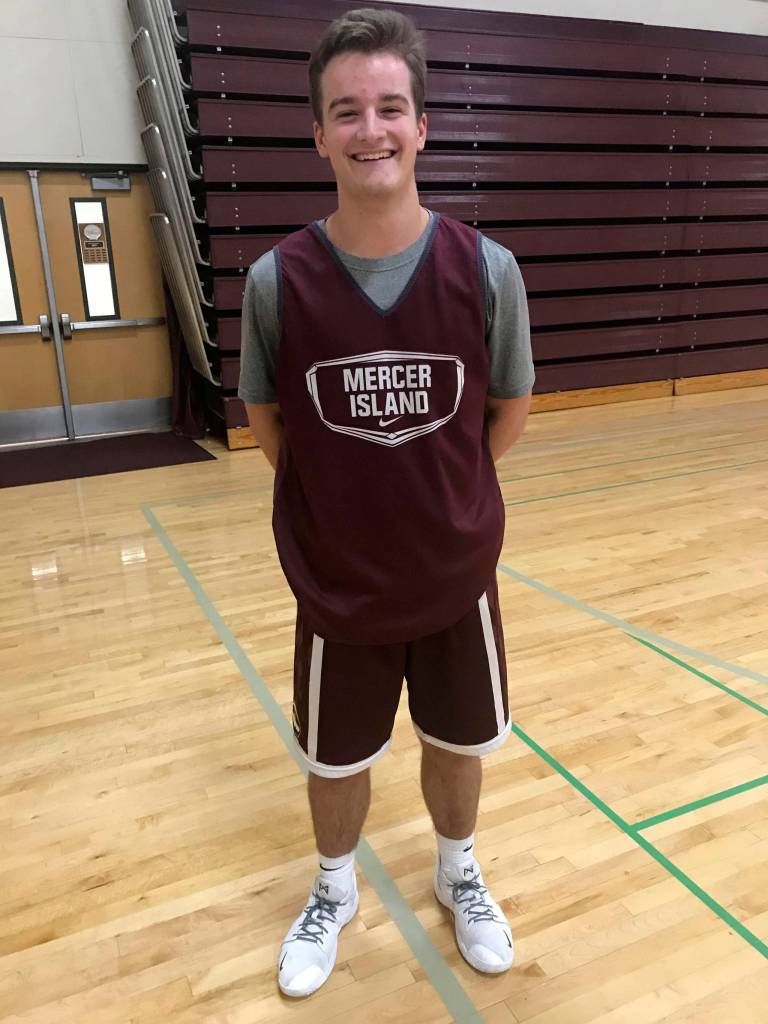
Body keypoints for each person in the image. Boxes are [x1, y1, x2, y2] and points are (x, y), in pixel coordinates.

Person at [238, 7, 534, 999]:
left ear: (421, 126)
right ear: (319, 133)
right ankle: (332, 889)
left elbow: (508, 412)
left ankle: (458, 872)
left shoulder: (489, 272)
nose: (373, 129)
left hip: (455, 577)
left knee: (459, 742)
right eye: (347, 112)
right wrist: (343, 505)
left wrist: (441, 505)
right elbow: (272, 423)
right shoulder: (276, 282)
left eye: (390, 108)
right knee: (336, 757)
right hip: (338, 586)